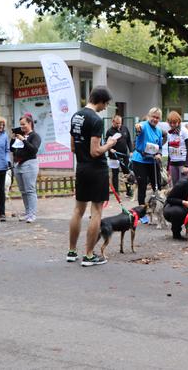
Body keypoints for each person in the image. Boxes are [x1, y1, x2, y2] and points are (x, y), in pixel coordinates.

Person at [66, 87, 118, 266]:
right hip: (96, 170)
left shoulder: (76, 117)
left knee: (78, 210)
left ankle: (72, 251)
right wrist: (109, 144)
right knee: (96, 212)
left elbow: (73, 147)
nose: (105, 107)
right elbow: (95, 151)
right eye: (106, 104)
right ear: (100, 101)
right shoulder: (95, 119)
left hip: (81, 167)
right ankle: (88, 255)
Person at [11, 113, 42, 224]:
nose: (22, 127)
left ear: (30, 123)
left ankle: (32, 214)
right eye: (20, 125)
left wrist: (23, 140)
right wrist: (13, 139)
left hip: (29, 164)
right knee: (23, 191)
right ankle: (28, 212)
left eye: (24, 124)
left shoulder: (35, 136)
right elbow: (12, 148)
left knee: (30, 190)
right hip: (18, 165)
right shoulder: (21, 135)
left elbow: (33, 150)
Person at [132, 108, 164, 205]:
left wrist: (159, 154)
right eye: (153, 117)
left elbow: (160, 147)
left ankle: (158, 206)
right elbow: (138, 127)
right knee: (142, 185)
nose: (155, 119)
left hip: (152, 161)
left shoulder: (158, 131)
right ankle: (141, 210)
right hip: (140, 160)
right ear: (149, 116)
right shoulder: (144, 125)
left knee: (157, 184)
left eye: (157, 118)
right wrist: (137, 127)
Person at [106, 115, 133, 197]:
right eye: (117, 123)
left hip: (124, 155)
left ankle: (129, 191)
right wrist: (110, 149)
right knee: (115, 173)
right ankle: (116, 192)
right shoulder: (109, 131)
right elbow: (106, 144)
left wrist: (131, 151)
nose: (119, 125)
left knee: (127, 173)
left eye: (120, 123)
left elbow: (128, 141)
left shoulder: (125, 128)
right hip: (114, 156)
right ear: (113, 122)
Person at [166, 111, 188, 185]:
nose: (172, 125)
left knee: (184, 187)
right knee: (175, 188)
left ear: (179, 121)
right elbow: (169, 151)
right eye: (170, 123)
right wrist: (168, 167)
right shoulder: (169, 133)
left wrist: (187, 165)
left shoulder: (185, 132)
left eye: (174, 123)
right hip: (173, 164)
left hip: (183, 163)